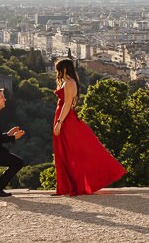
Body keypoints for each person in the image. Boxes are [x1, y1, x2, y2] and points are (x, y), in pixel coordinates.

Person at [53, 58, 126, 196]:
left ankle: (75, 186)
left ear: (63, 69)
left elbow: (67, 105)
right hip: (65, 120)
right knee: (65, 153)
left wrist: (59, 123)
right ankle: (69, 186)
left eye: (58, 70)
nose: (57, 73)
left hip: (66, 122)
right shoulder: (69, 82)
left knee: (70, 153)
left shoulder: (69, 83)